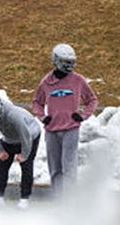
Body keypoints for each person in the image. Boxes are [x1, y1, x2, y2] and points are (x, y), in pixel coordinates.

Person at [31, 43, 97, 195]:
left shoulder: (78, 80)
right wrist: (42, 117)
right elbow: (37, 102)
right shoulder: (46, 82)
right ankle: (58, 197)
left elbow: (92, 100)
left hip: (71, 130)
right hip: (52, 131)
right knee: (55, 168)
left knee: (69, 167)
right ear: (56, 60)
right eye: (66, 62)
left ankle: (70, 200)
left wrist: (82, 116)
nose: (70, 65)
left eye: (72, 62)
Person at [0, 91, 42, 209]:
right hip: (10, 138)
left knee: (26, 165)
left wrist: (24, 154)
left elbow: (26, 136)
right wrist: (0, 150)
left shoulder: (14, 115)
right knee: (1, 164)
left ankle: (24, 199)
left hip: (30, 135)